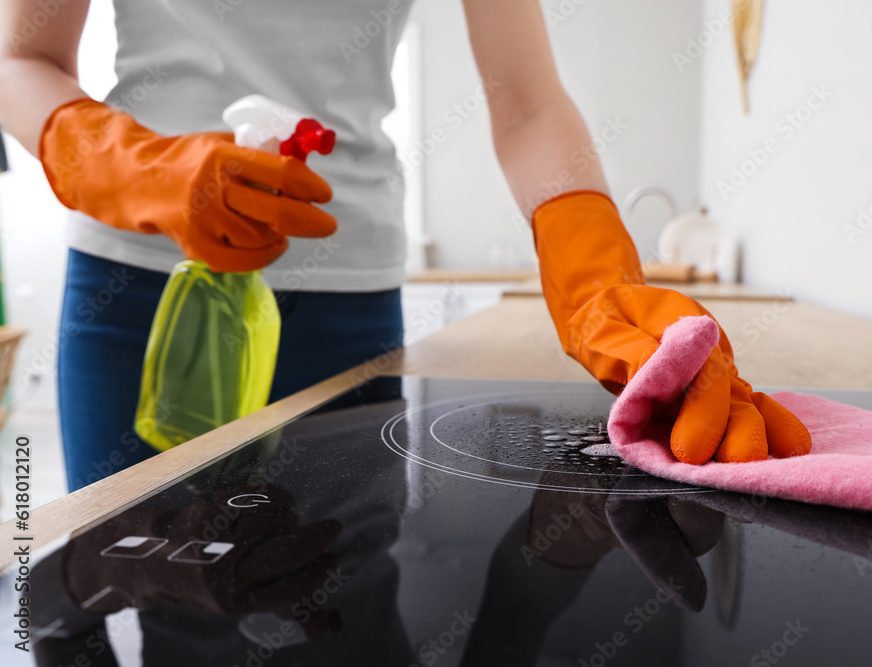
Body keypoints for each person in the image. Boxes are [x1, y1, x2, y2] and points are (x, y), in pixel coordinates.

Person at [0, 0, 810, 493]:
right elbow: (20, 59)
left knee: (342, 607)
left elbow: (527, 103)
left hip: (345, 304)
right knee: (134, 580)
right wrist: (128, 162)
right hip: (136, 289)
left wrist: (593, 270)